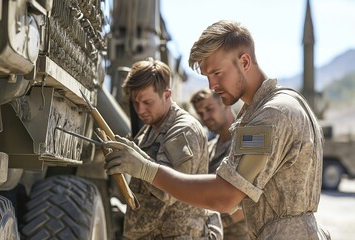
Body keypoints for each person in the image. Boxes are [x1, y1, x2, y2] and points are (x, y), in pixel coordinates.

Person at [104, 20, 331, 239]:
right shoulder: (277, 106)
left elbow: (226, 197)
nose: (212, 85)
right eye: (207, 77)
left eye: (217, 73)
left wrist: (145, 169)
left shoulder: (272, 114)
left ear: (244, 62)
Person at [111, 58, 222, 240]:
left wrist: (139, 163)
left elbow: (172, 191)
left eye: (147, 102)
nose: (140, 110)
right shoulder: (150, 128)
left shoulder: (182, 131)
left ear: (167, 95)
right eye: (136, 102)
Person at [190, 88, 250, 240]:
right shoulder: (210, 149)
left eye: (209, 109)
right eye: (201, 113)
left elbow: (251, 197)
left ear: (225, 104)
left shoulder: (245, 143)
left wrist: (218, 223)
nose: (206, 117)